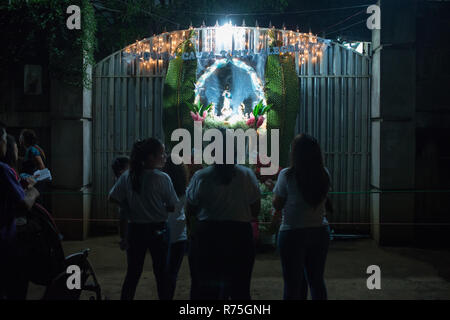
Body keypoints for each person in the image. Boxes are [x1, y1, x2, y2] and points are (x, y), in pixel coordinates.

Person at [185, 132, 261, 300]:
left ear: (212, 152)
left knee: (206, 290)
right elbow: (255, 209)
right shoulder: (247, 175)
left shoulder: (201, 176)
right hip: (240, 236)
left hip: (208, 236)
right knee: (240, 288)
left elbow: (190, 210)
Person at [108, 138, 178, 300]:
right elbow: (172, 206)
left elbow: (112, 198)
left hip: (136, 229)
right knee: (161, 273)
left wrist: (129, 207)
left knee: (133, 273)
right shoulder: (162, 178)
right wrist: (158, 208)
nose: (164, 156)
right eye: (161, 154)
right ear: (150, 157)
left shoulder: (128, 176)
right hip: (158, 229)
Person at [270, 134, 331, 300]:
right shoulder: (324, 173)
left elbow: (277, 204)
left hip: (292, 233)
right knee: (316, 281)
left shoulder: (287, 175)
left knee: (292, 284)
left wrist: (273, 192)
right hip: (320, 231)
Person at [0, 122, 40, 299]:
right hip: (4, 243)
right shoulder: (3, 170)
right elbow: (24, 203)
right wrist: (33, 190)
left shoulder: (33, 151)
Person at [162, 154, 189, 300]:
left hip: (161, 233)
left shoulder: (159, 186)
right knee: (172, 273)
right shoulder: (185, 190)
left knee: (161, 273)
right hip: (179, 234)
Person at [111, 156, 131, 251]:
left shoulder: (122, 178)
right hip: (126, 209)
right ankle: (124, 241)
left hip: (125, 209)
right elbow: (112, 198)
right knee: (124, 224)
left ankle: (124, 240)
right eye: (128, 166)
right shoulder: (123, 178)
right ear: (121, 170)